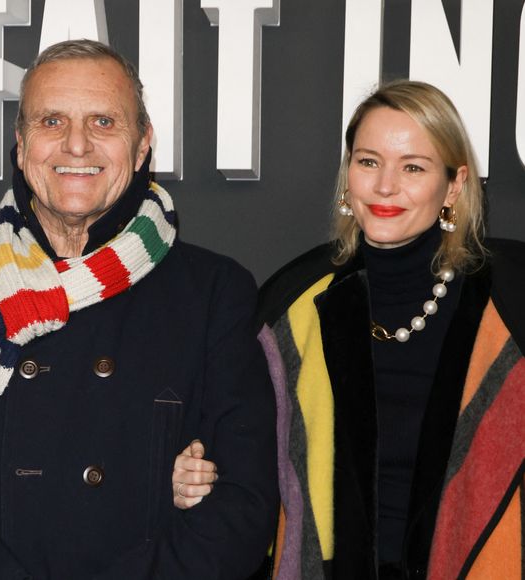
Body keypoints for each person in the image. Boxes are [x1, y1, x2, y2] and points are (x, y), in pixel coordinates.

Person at [0, 39, 278, 579]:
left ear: (143, 144)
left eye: (103, 122)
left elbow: (242, 507)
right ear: (21, 142)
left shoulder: (213, 294)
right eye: (51, 121)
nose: (76, 145)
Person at [178, 80, 525, 579]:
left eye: (413, 167)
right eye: (368, 162)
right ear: (348, 176)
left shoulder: (510, 302)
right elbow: (234, 464)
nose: (385, 186)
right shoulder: (292, 306)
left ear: (454, 184)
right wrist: (189, 474)